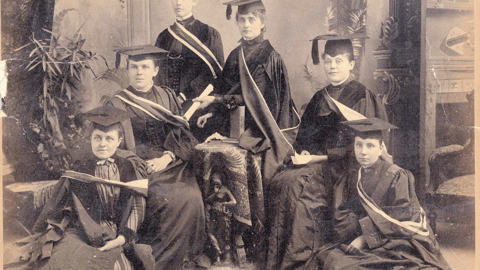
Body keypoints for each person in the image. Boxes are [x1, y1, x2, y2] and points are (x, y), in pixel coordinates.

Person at [265, 35, 388, 270]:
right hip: (316, 165)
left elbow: (361, 149)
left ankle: (298, 262)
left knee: (298, 188)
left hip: (346, 169)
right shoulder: (319, 97)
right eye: (328, 60)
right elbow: (304, 138)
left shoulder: (362, 96)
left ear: (351, 64)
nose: (332, 66)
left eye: (339, 61)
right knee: (281, 180)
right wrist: (301, 154)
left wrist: (317, 158)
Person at [106, 45, 207, 270]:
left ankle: (185, 261)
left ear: (155, 70)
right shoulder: (117, 102)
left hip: (171, 163)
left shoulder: (166, 95)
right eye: (134, 67)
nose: (139, 72)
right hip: (137, 167)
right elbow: (112, 145)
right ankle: (159, 263)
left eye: (144, 67)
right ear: (127, 70)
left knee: (191, 197)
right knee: (166, 201)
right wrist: (136, 162)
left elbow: (182, 133)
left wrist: (168, 156)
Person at [17, 106, 154, 269]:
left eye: (109, 139)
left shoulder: (129, 168)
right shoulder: (79, 169)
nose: (102, 144)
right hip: (81, 232)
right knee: (66, 261)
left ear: (119, 141)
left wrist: (122, 238)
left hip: (118, 233)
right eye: (97, 138)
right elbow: (55, 206)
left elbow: (138, 208)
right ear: (91, 139)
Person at [306, 118, 451, 270]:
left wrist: (364, 238)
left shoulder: (397, 176)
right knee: (325, 258)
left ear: (381, 148)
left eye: (370, 146)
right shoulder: (354, 175)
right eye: (359, 145)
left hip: (400, 238)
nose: (363, 152)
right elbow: (342, 211)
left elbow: (403, 219)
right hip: (368, 236)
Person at [194, 0, 300, 183]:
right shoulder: (236, 54)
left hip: (263, 125)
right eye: (242, 20)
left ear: (263, 22)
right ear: (236, 22)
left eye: (252, 19)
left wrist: (214, 100)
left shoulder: (268, 57)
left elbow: (253, 100)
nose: (246, 25)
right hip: (236, 120)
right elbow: (226, 88)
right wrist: (213, 112)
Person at [155, 0, 224, 141]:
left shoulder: (209, 34)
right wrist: (166, 98)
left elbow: (214, 74)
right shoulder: (163, 37)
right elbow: (157, 74)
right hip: (168, 107)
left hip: (197, 105)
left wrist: (184, 95)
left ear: (195, 2)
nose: (178, 3)